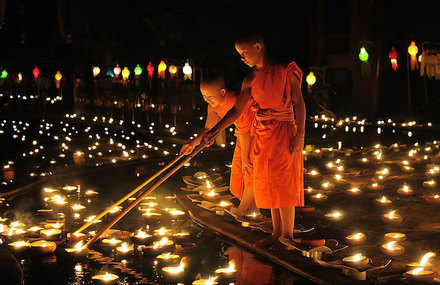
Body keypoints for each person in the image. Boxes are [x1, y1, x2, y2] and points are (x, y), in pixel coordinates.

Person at [203, 33, 305, 251]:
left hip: (284, 131)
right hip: (262, 134)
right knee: (269, 182)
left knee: (284, 184)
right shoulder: (250, 79)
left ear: (258, 46)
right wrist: (215, 130)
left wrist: (300, 136)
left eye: (243, 52)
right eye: (239, 54)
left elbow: (300, 104)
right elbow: (238, 110)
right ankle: (277, 233)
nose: (241, 58)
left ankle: (287, 236)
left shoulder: (284, 71)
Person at [180, 73, 259, 217]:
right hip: (243, 134)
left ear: (223, 92)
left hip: (255, 132)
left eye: (210, 96)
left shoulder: (234, 101)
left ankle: (244, 208)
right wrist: (193, 143)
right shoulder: (212, 105)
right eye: (204, 96)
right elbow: (208, 128)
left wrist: (246, 156)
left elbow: (245, 130)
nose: (207, 100)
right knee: (239, 169)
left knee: (248, 167)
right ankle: (254, 210)